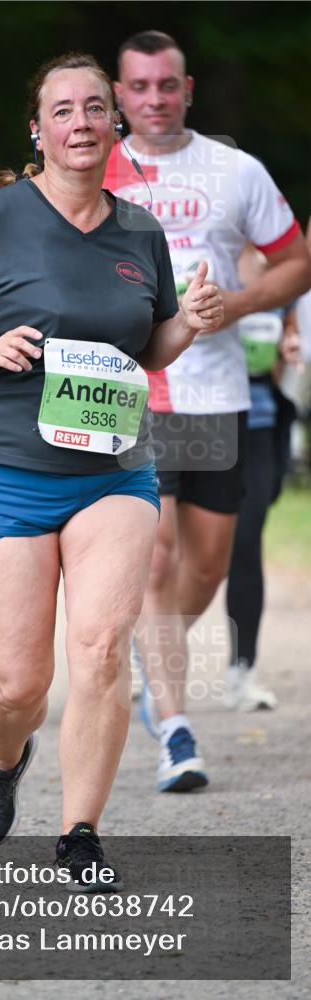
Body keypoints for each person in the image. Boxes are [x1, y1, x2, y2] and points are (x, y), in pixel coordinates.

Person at [0, 52, 223, 889]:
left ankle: (80, 835)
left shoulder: (139, 231)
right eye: (63, 109)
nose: (80, 121)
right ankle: (4, 760)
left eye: (94, 107)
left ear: (114, 124)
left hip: (113, 467)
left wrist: (188, 321)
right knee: (19, 683)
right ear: (37, 131)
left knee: (100, 649)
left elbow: (149, 344)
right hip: (3, 465)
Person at [105, 31, 311, 790]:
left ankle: (149, 658)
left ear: (187, 89)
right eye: (138, 87)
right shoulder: (94, 167)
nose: (154, 99)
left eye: (167, 85)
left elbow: (296, 262)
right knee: (154, 558)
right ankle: (176, 728)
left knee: (206, 566)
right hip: (127, 389)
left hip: (215, 392)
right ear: (118, 95)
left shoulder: (235, 171)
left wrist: (241, 304)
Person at [225, 245, 300, 710]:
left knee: (246, 542)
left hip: (259, 427)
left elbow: (288, 354)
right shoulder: (197, 262)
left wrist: (288, 350)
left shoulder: (283, 285)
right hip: (201, 426)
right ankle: (146, 659)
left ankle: (242, 670)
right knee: (178, 554)